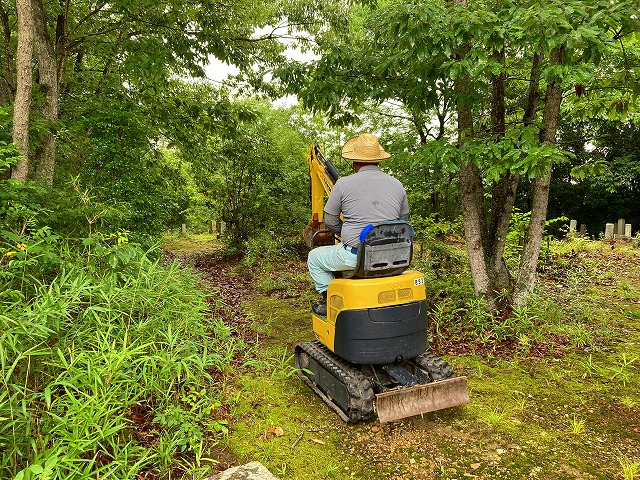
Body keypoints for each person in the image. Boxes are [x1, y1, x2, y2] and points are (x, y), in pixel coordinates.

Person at [307, 133, 409, 315]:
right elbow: (404, 221)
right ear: (378, 161)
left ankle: (330, 303)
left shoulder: (343, 184)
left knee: (314, 257)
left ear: (355, 162)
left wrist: (345, 232)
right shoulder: (397, 184)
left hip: (356, 256)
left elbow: (330, 220)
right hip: (395, 256)